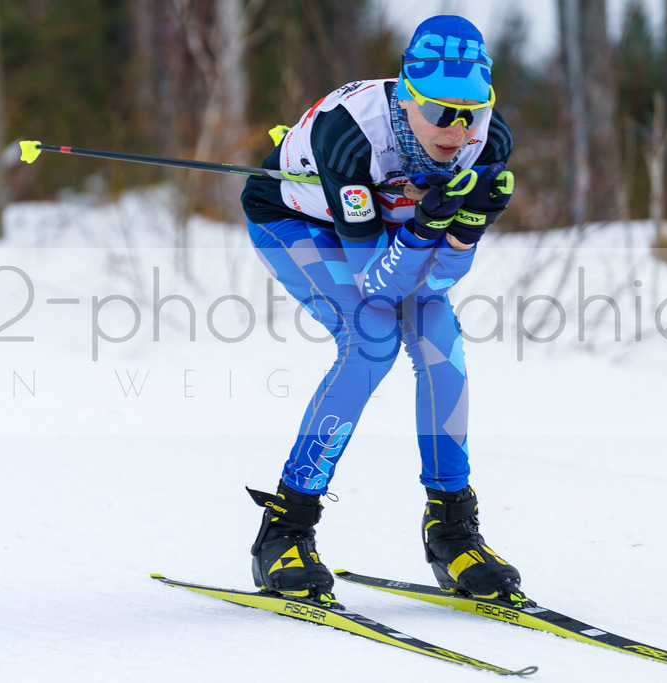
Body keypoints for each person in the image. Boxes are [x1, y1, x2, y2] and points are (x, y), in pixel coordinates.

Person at [240, 15, 523, 608]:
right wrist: (425, 230)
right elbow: (376, 287)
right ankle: (286, 529)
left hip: (391, 233)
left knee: (441, 344)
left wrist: (465, 230)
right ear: (407, 94)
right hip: (297, 220)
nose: (457, 128)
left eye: (471, 110)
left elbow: (437, 282)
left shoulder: (488, 142)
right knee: (371, 338)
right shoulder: (352, 135)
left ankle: (452, 530)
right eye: (441, 110)